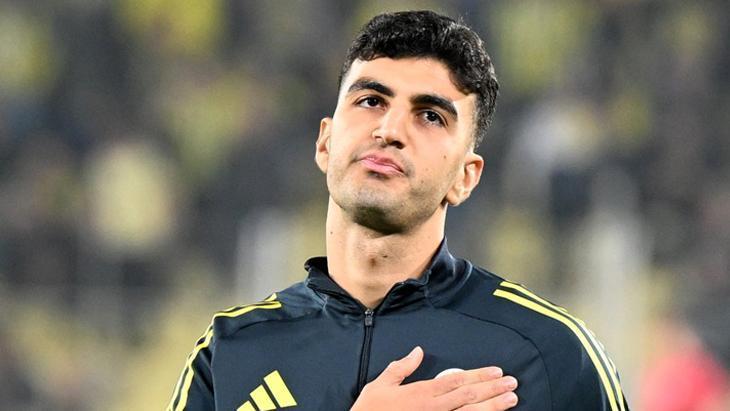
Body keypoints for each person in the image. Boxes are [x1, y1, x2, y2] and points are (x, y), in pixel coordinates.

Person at [167, 10, 630, 411]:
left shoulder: (551, 354)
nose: (389, 130)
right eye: (371, 101)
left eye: (430, 116)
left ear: (465, 177)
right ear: (326, 142)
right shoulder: (230, 353)